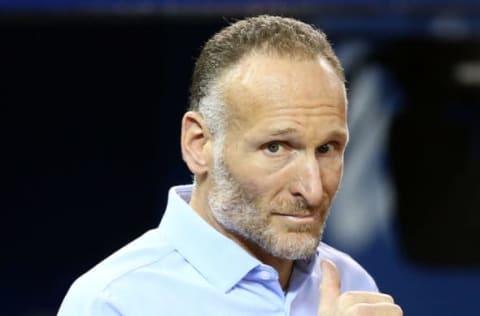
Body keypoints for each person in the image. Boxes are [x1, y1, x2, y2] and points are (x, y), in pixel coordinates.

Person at [58, 15, 402, 316]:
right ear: (199, 145)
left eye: (327, 148)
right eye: (276, 147)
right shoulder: (114, 303)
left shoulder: (352, 284)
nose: (312, 189)